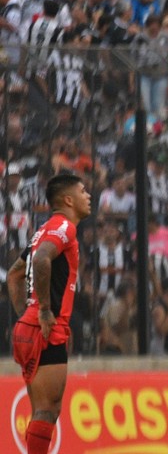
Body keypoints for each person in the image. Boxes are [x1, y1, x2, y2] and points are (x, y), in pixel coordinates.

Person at [6, 174, 93, 454]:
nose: (88, 195)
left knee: (41, 410)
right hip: (45, 328)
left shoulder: (44, 229)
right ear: (68, 200)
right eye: (82, 191)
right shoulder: (65, 228)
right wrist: (42, 311)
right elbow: (42, 258)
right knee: (48, 410)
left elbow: (14, 274)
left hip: (30, 327)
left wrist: (26, 314)